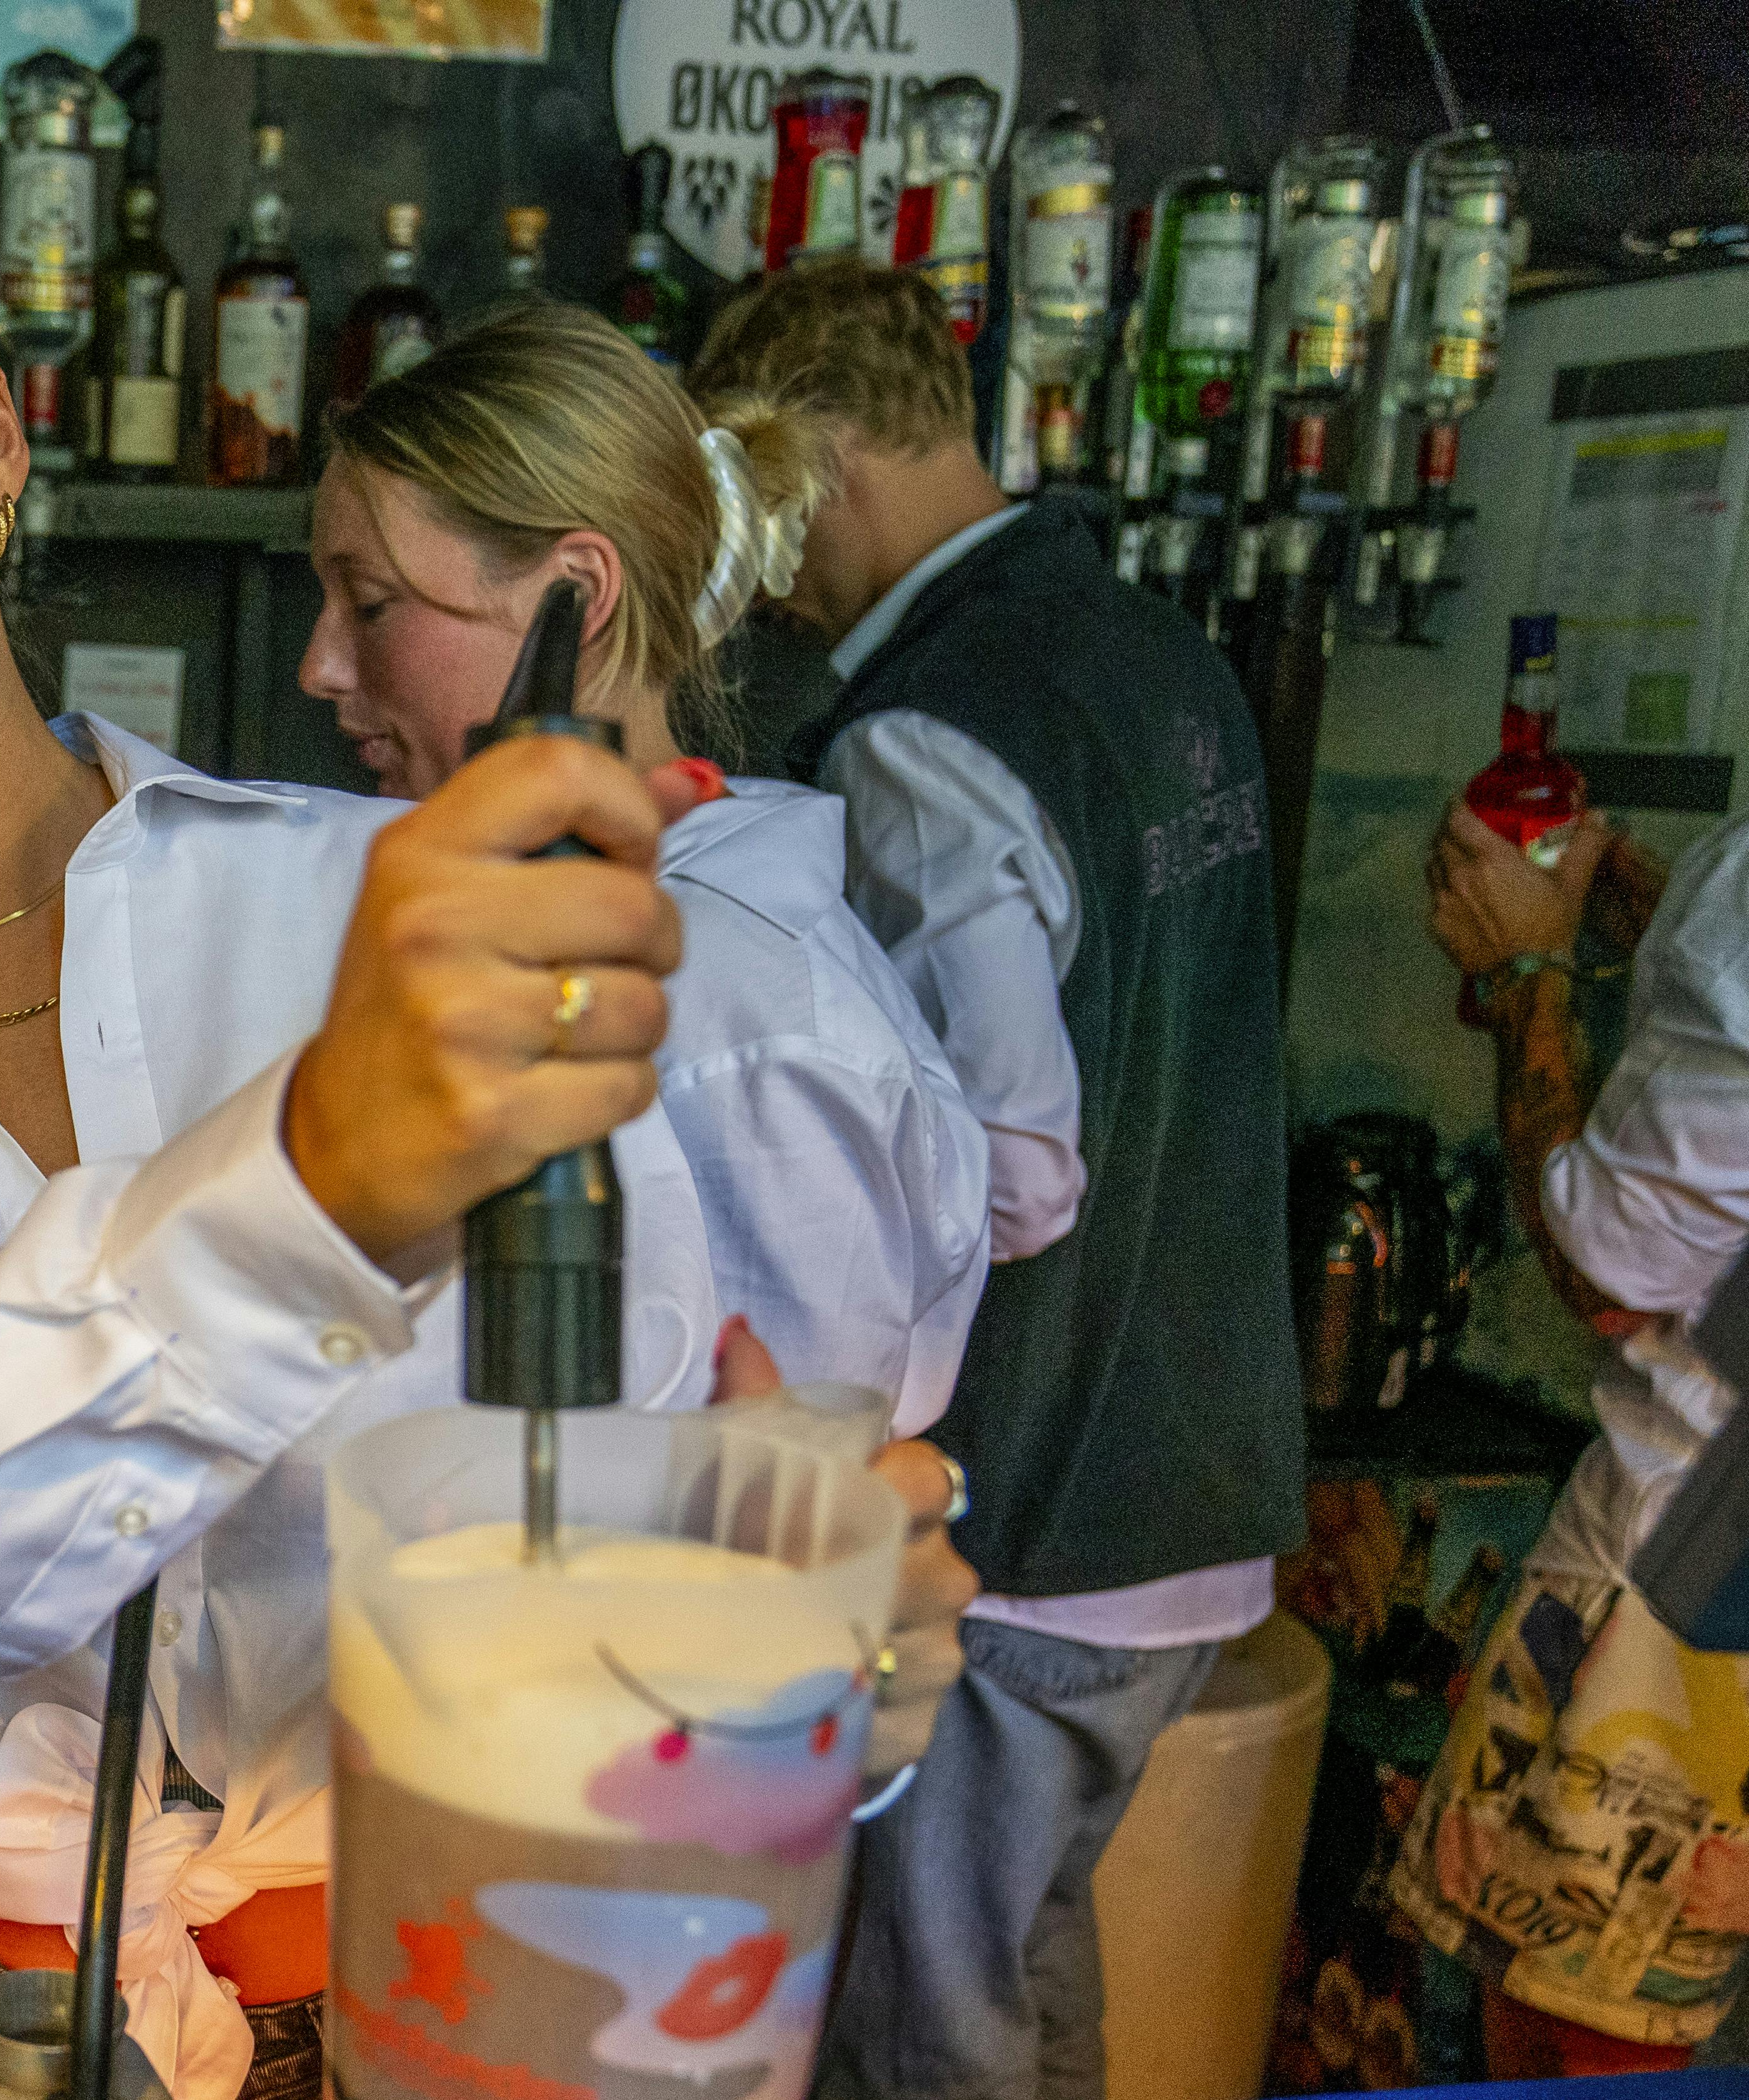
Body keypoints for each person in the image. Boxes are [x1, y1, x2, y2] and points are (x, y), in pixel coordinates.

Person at [0, 176, 980, 2100]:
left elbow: (624, 1518)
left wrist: (797, 1660)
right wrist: (310, 1179)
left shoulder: (384, 912)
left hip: (461, 1993)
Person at [685, 264, 1306, 2100]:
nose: (762, 563)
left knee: (924, 2034)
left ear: (820, 467)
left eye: (754, 498)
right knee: (1034, 1974)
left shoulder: (929, 728)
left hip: (1041, 1510)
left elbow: (1015, 1167)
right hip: (1205, 1487)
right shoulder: (1160, 655)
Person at [298, 301, 991, 1455]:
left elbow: (781, 1500)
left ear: (578, 592)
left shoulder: (745, 1013)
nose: (322, 666)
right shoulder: (559, 926)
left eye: (371, 603)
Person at [1389, 802, 1749, 2073]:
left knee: (1574, 2057)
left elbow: (1613, 1266)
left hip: (1668, 1628)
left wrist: (1525, 970)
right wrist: (1642, 918)